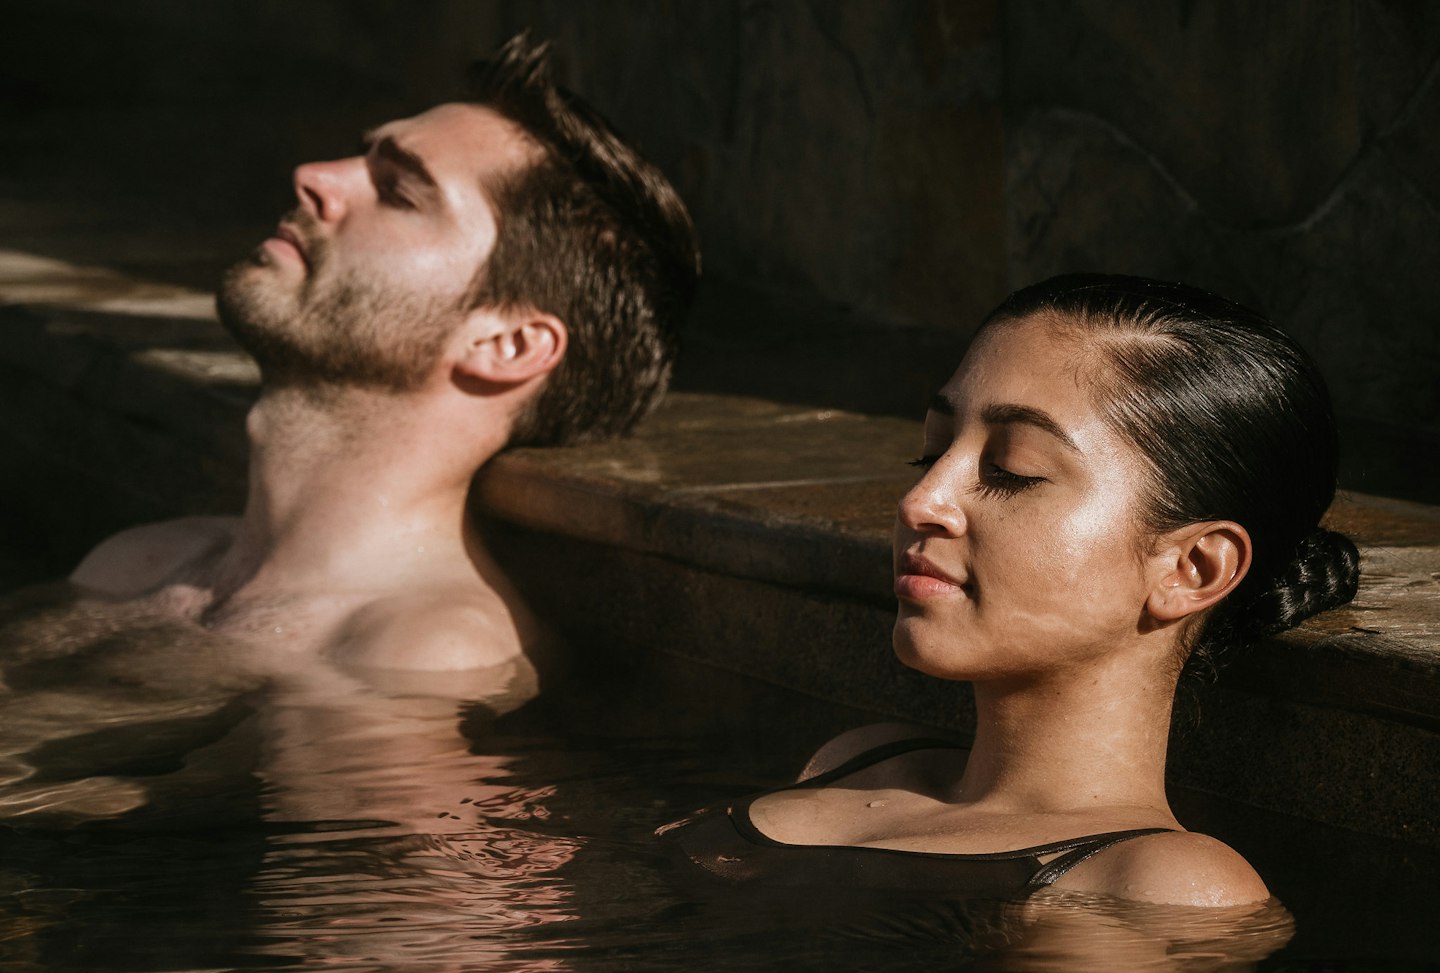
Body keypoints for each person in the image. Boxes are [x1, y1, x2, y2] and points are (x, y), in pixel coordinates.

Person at [665, 273, 1359, 907]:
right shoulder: (860, 759)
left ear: (1192, 569)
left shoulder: (1155, 884)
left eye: (1012, 469)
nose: (921, 500)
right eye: (932, 452)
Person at [63, 34, 700, 678]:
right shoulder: (136, 565)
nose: (314, 176)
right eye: (362, 157)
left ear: (506, 345)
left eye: (398, 190)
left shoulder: (425, 655)